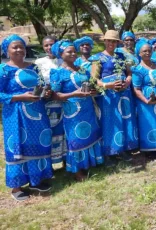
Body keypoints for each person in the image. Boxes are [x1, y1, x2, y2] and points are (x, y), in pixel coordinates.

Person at [0, 35, 53, 201]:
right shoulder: (4, 70)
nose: (18, 50)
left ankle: (35, 181)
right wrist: (20, 97)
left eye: (21, 47)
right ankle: (17, 187)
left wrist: (46, 92)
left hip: (37, 113)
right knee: (18, 146)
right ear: (6, 51)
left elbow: (40, 87)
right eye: (14, 47)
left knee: (37, 144)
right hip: (15, 114)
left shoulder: (34, 67)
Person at [50, 40, 103, 181]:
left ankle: (88, 163)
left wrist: (92, 90)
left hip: (87, 107)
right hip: (72, 111)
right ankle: (76, 170)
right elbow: (55, 95)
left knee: (90, 133)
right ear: (61, 54)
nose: (73, 54)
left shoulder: (81, 69)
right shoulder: (58, 72)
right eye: (69, 51)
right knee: (75, 137)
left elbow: (89, 83)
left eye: (74, 51)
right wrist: (75, 94)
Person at [89, 30, 139, 165]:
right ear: (104, 41)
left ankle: (123, 149)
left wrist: (128, 80)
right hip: (108, 96)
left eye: (114, 41)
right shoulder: (97, 58)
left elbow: (129, 72)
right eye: (109, 41)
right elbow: (94, 80)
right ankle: (109, 152)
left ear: (118, 43)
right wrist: (108, 85)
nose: (111, 43)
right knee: (110, 121)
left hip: (124, 93)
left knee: (125, 119)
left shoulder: (121, 56)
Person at [34, 35, 66, 165]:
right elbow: (38, 83)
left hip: (64, 100)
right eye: (46, 45)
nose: (49, 48)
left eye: (51, 44)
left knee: (63, 131)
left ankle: (65, 160)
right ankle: (49, 163)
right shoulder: (39, 63)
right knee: (48, 131)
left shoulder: (63, 60)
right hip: (46, 102)